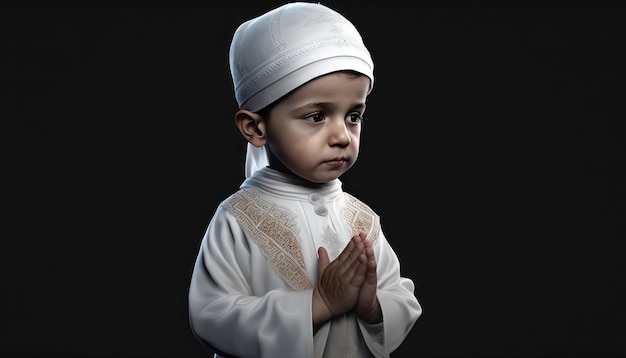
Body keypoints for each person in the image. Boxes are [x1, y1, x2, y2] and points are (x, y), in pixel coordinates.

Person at [188, 2, 422, 357]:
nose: (342, 135)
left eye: (353, 116)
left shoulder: (362, 220)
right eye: (317, 116)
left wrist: (373, 307)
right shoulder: (238, 219)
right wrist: (318, 303)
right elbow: (211, 315)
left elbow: (402, 298)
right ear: (255, 127)